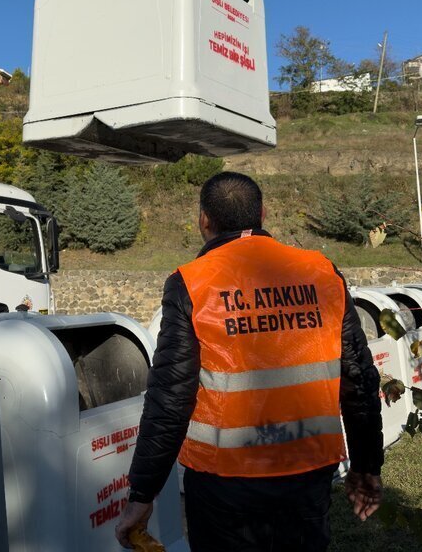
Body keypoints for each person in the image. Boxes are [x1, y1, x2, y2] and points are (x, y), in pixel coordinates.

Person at [115, 172, 384, 551]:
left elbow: (169, 398)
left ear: (203, 220)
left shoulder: (191, 283)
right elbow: (358, 378)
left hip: (223, 484)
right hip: (307, 474)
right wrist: (367, 465)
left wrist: (142, 494)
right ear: (263, 212)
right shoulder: (322, 272)